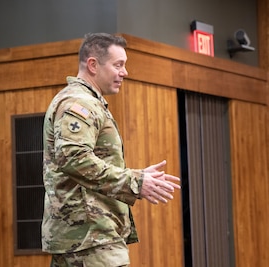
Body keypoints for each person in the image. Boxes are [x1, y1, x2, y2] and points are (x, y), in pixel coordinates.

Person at [42, 32, 181, 267]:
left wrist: (136, 177)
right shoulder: (80, 103)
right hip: (91, 238)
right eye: (118, 65)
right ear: (93, 65)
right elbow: (74, 158)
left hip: (85, 238)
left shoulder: (84, 101)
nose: (124, 72)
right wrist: (135, 181)